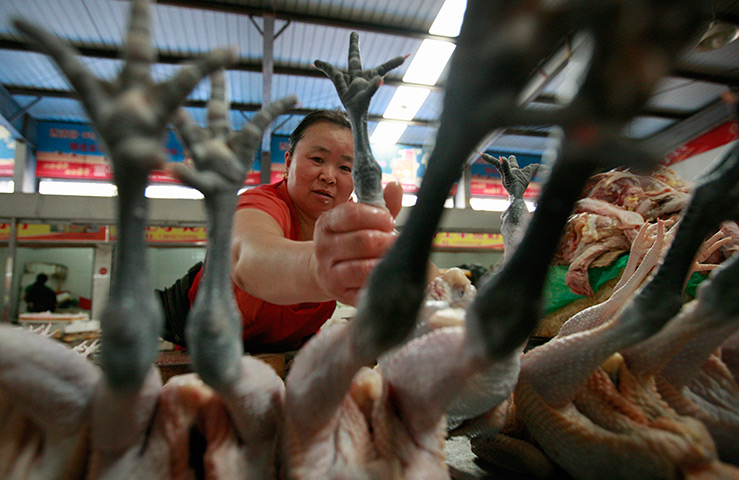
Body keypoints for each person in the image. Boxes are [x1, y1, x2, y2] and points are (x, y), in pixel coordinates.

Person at [160, 109, 408, 353]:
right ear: (288, 163)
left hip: (285, 349)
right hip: (202, 337)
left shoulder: (354, 221)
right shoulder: (261, 203)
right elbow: (249, 259)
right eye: (317, 160)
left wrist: (440, 292)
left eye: (345, 168)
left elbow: (409, 267)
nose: (329, 176)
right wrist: (324, 268)